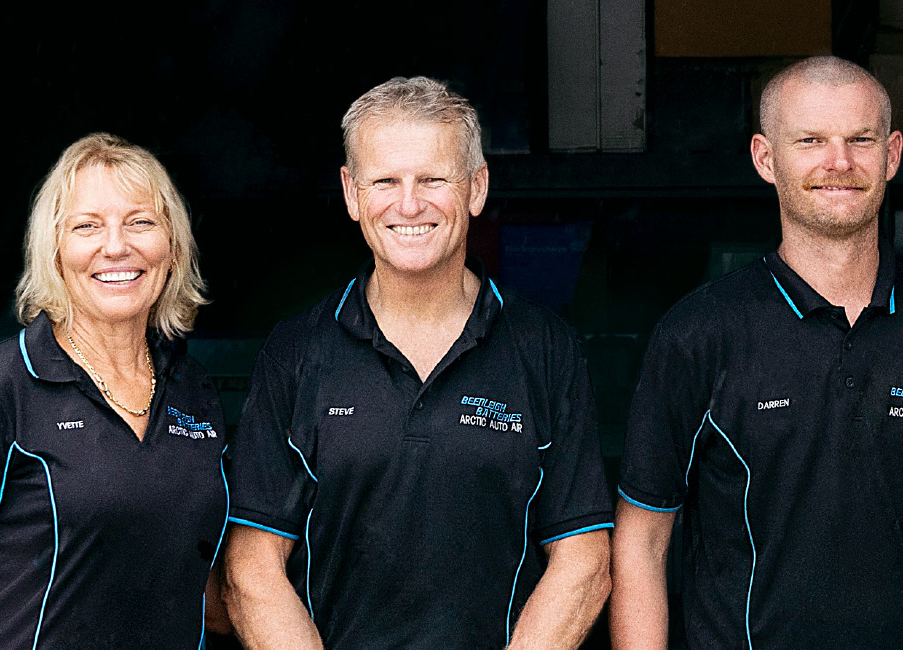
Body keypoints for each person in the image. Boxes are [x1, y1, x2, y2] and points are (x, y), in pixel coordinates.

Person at [610, 56, 903, 649]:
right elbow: (642, 539)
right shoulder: (698, 334)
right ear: (765, 158)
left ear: (892, 155)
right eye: (811, 141)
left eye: (861, 140)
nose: (840, 162)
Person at [223, 76, 613, 650]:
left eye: (433, 179)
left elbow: (583, 562)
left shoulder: (546, 348)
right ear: (352, 194)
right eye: (385, 181)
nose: (409, 204)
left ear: (477, 188)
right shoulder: (297, 350)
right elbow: (251, 570)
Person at [0, 133, 230, 649]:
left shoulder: (196, 393)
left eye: (140, 222)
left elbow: (200, 584)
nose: (116, 246)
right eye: (86, 226)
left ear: (173, 247)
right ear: (54, 251)